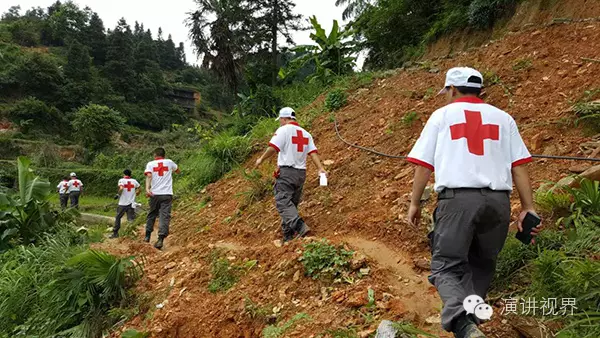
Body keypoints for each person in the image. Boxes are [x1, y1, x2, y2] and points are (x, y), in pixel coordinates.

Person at [405, 67, 542, 338]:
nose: (445, 97)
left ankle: (461, 321)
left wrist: (415, 202)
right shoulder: (504, 118)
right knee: (482, 263)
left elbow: (423, 166)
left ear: (452, 90)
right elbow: (518, 167)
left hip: (458, 202)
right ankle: (470, 324)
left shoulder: (441, 116)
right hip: (498, 203)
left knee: (445, 265)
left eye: (446, 92)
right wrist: (528, 208)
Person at [255, 107, 327, 242]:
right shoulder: (306, 134)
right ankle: (288, 236)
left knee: (282, 202)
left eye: (280, 120)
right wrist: (320, 168)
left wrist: (261, 159)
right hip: (301, 174)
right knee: (291, 204)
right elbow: (313, 153)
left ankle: (301, 227)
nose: (280, 122)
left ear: (283, 118)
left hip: (287, 172)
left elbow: (273, 148)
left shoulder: (283, 130)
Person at [144, 147, 180, 250]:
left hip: (154, 194)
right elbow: (177, 170)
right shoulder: (169, 162)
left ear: (155, 155)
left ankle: (147, 236)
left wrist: (147, 188)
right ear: (164, 155)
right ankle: (160, 239)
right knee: (164, 216)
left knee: (152, 214)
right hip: (167, 194)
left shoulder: (150, 164)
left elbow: (149, 176)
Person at [111, 169, 141, 239]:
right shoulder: (134, 181)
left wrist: (118, 195)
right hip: (131, 203)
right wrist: (137, 193)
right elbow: (139, 188)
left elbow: (121, 188)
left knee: (118, 217)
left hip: (122, 203)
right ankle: (131, 234)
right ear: (130, 174)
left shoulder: (122, 180)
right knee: (130, 219)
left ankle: (115, 233)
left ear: (124, 174)